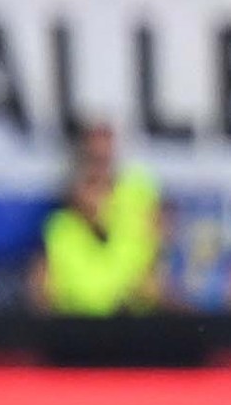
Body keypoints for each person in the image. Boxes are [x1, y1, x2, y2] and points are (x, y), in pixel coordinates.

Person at [33, 123, 163, 316]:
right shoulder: (60, 228)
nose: (99, 170)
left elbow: (154, 278)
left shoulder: (137, 201)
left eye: (104, 160)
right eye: (93, 160)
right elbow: (42, 288)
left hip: (133, 322)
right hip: (77, 324)